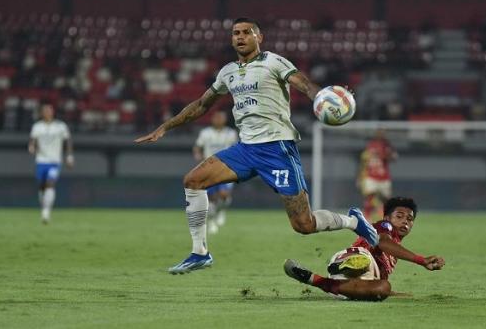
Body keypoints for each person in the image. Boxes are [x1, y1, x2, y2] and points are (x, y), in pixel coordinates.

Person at [135, 17, 378, 275]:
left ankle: (353, 220)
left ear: (258, 37)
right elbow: (201, 104)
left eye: (246, 32)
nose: (240, 37)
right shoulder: (227, 72)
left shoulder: (273, 62)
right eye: (235, 33)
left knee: (303, 225)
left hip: (277, 149)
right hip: (245, 150)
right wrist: (166, 126)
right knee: (193, 181)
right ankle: (200, 253)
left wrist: (323, 99)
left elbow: (303, 84)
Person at [284, 197, 446, 301]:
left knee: (384, 288)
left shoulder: (396, 246)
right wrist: (421, 260)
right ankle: (348, 265)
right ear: (387, 218)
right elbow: (382, 243)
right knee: (364, 261)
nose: (405, 221)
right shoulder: (385, 227)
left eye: (409, 219)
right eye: (399, 216)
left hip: (349, 286)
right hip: (359, 256)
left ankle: (317, 280)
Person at [193, 110, 238, 234]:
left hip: (226, 168)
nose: (218, 120)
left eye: (220, 117)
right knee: (211, 198)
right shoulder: (205, 133)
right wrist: (198, 155)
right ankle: (212, 221)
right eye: (216, 117)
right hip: (209, 168)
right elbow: (197, 147)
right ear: (212, 119)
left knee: (224, 195)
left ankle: (221, 211)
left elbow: (237, 148)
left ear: (225, 119)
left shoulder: (231, 133)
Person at [28, 104, 74, 224]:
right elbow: (32, 141)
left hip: (54, 161)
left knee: (50, 183)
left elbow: (68, 141)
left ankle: (46, 212)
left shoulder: (60, 126)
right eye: (45, 111)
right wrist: (31, 147)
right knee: (42, 186)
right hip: (41, 161)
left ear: (53, 112)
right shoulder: (37, 127)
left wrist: (69, 156)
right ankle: (44, 208)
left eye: (49, 110)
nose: (47, 113)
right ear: (41, 113)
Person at [356, 129, 398, 220]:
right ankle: (367, 216)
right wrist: (360, 177)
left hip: (384, 177)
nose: (381, 135)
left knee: (386, 199)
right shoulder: (370, 145)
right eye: (379, 133)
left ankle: (385, 216)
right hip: (371, 176)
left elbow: (394, 157)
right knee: (370, 196)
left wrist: (388, 155)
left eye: (382, 133)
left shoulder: (387, 146)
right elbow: (364, 163)